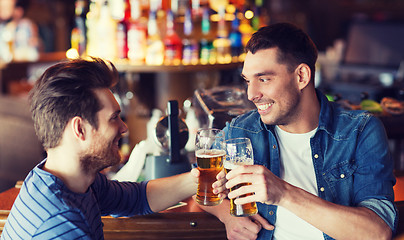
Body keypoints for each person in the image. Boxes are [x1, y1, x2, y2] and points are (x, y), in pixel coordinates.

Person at [202, 22, 397, 240]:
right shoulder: (242, 131)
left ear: (301, 76)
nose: (251, 94)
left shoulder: (360, 131)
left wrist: (283, 193)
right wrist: (227, 217)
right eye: (248, 81)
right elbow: (199, 182)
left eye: (264, 79)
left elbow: (377, 233)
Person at [0, 57, 213, 239]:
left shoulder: (72, 181)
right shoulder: (60, 223)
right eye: (113, 118)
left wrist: (202, 178)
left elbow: (136, 198)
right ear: (80, 129)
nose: (123, 127)